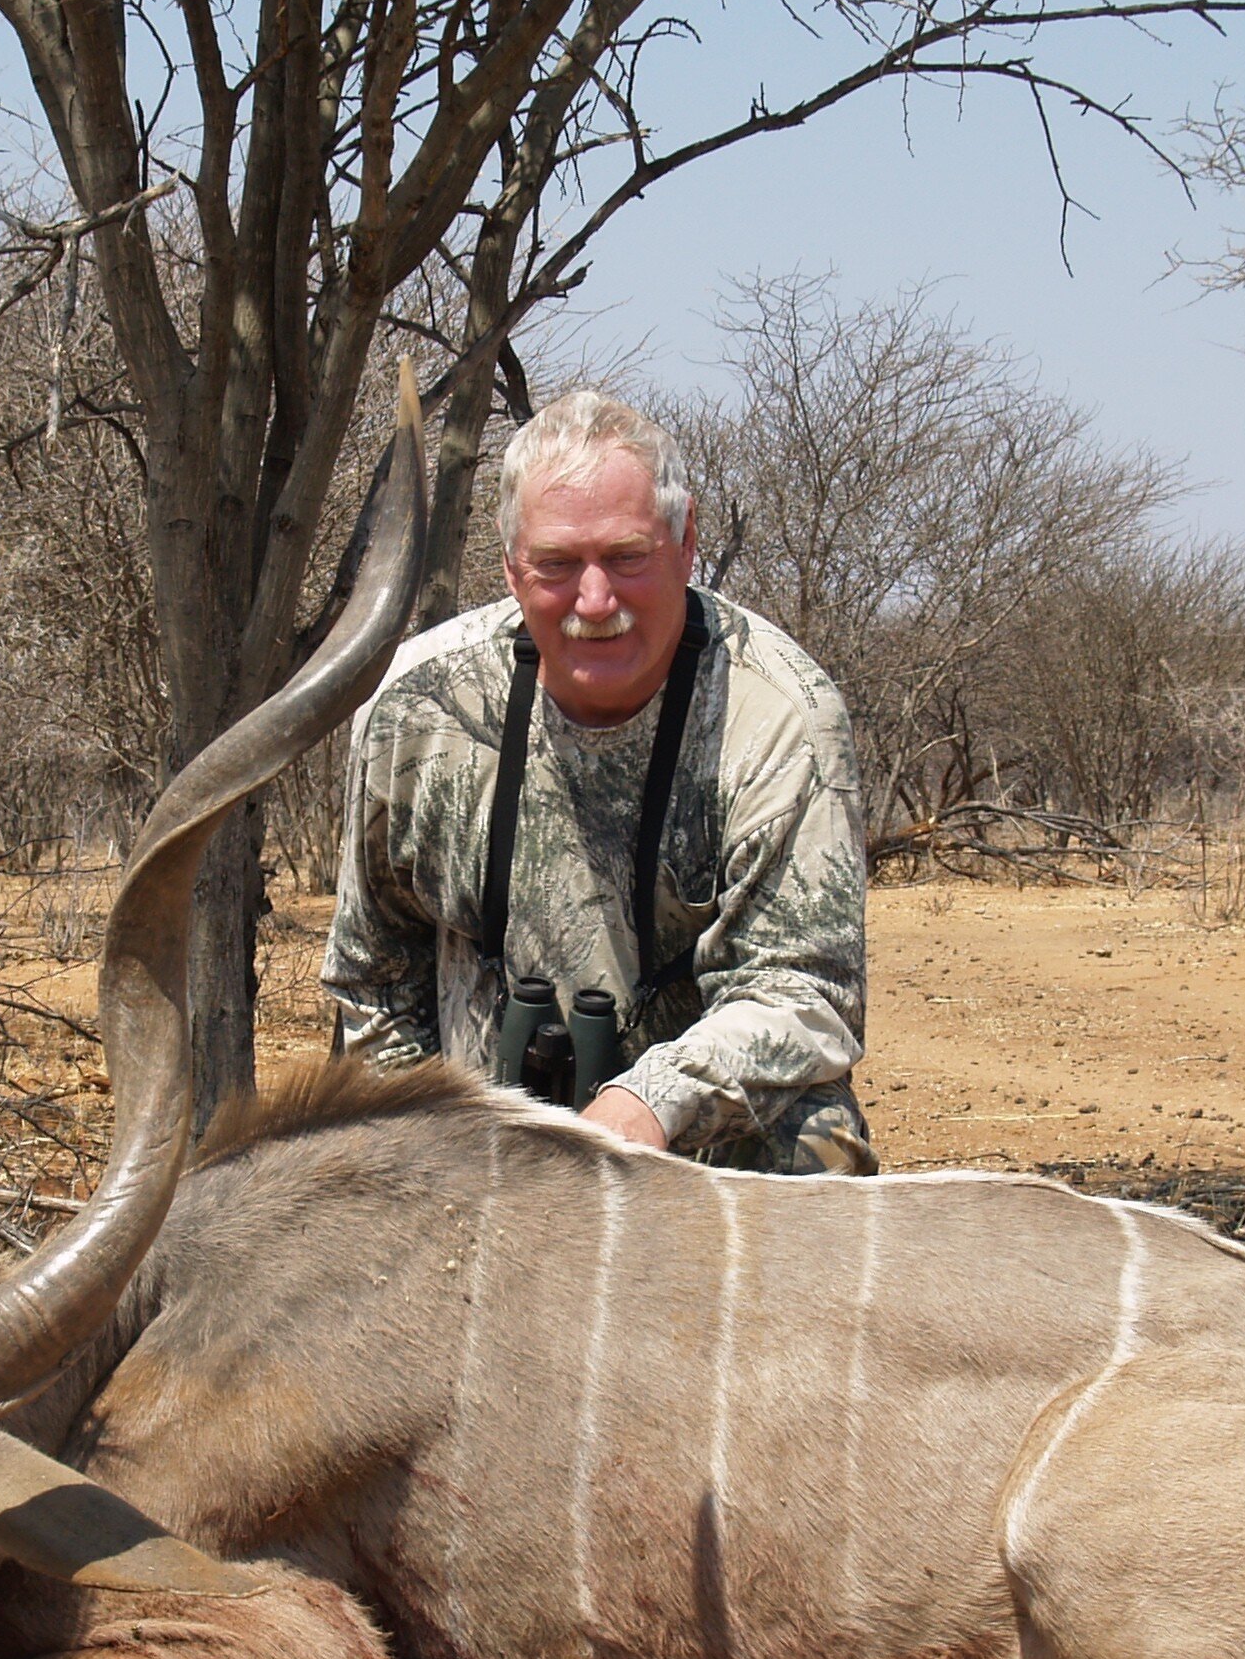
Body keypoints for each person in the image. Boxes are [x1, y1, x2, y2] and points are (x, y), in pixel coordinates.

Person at [323, 389, 874, 1174]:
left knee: (817, 1144)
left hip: (698, 1137)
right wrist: (426, 1154)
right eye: (556, 565)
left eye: (626, 558)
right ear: (512, 570)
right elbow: (372, 990)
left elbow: (804, 992)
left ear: (686, 546)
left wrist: (649, 1102)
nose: (594, 601)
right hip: (472, 1134)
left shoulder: (782, 713)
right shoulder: (416, 706)